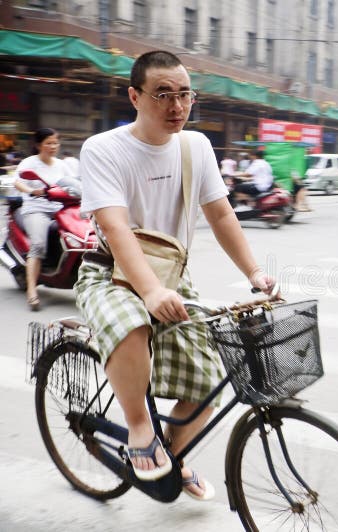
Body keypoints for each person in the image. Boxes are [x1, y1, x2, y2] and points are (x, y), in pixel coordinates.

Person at [74, 50, 278, 500]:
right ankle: (140, 429)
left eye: (184, 94)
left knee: (209, 380)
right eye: (162, 94)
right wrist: (147, 291)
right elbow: (114, 226)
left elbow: (222, 215)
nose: (176, 106)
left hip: (171, 276)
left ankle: (175, 457)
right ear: (135, 96)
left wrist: (256, 273)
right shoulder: (104, 149)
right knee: (131, 325)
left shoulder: (196, 146)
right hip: (111, 274)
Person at [13, 128, 71, 311]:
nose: (53, 146)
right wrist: (31, 191)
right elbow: (17, 182)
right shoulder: (29, 163)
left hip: (60, 209)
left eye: (55, 143)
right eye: (49, 143)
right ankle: (32, 291)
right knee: (38, 245)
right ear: (39, 145)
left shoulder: (62, 165)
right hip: (36, 210)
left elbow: (71, 183)